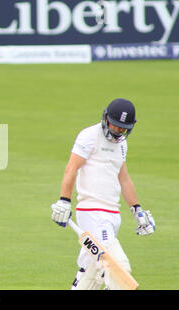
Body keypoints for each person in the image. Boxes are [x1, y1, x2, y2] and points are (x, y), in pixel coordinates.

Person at [50, 98, 156, 290]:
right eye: (114, 126)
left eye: (122, 128)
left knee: (89, 271)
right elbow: (71, 168)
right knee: (117, 269)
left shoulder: (122, 145)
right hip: (92, 213)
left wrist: (137, 209)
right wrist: (65, 200)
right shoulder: (89, 136)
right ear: (106, 118)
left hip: (112, 216)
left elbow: (123, 179)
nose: (116, 131)